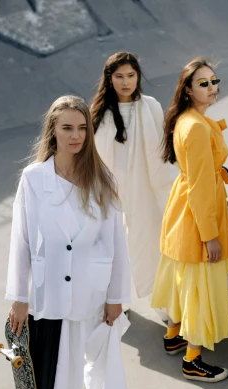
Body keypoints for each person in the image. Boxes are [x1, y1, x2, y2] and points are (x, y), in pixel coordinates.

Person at [6, 95, 133, 389]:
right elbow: (21, 241)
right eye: (67, 128)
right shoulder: (33, 179)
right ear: (53, 131)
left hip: (93, 290)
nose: (76, 135)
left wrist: (116, 297)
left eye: (82, 128)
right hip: (50, 293)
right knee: (49, 365)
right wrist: (19, 298)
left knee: (102, 355)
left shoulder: (102, 177)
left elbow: (116, 242)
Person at [150, 57, 228, 383]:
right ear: (187, 89)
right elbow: (202, 185)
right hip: (197, 214)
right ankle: (192, 359)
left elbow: (207, 171)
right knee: (200, 286)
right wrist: (210, 236)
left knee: (182, 278)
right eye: (204, 83)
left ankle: (173, 336)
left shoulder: (188, 120)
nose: (212, 87)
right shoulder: (197, 128)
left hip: (183, 210)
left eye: (214, 81)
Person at [90, 52, 174, 308]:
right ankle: (115, 300)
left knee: (147, 239)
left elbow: (165, 150)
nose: (126, 82)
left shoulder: (150, 106)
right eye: (119, 76)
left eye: (131, 75)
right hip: (110, 189)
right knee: (109, 246)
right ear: (109, 78)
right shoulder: (98, 113)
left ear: (138, 77)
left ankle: (162, 300)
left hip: (145, 186)